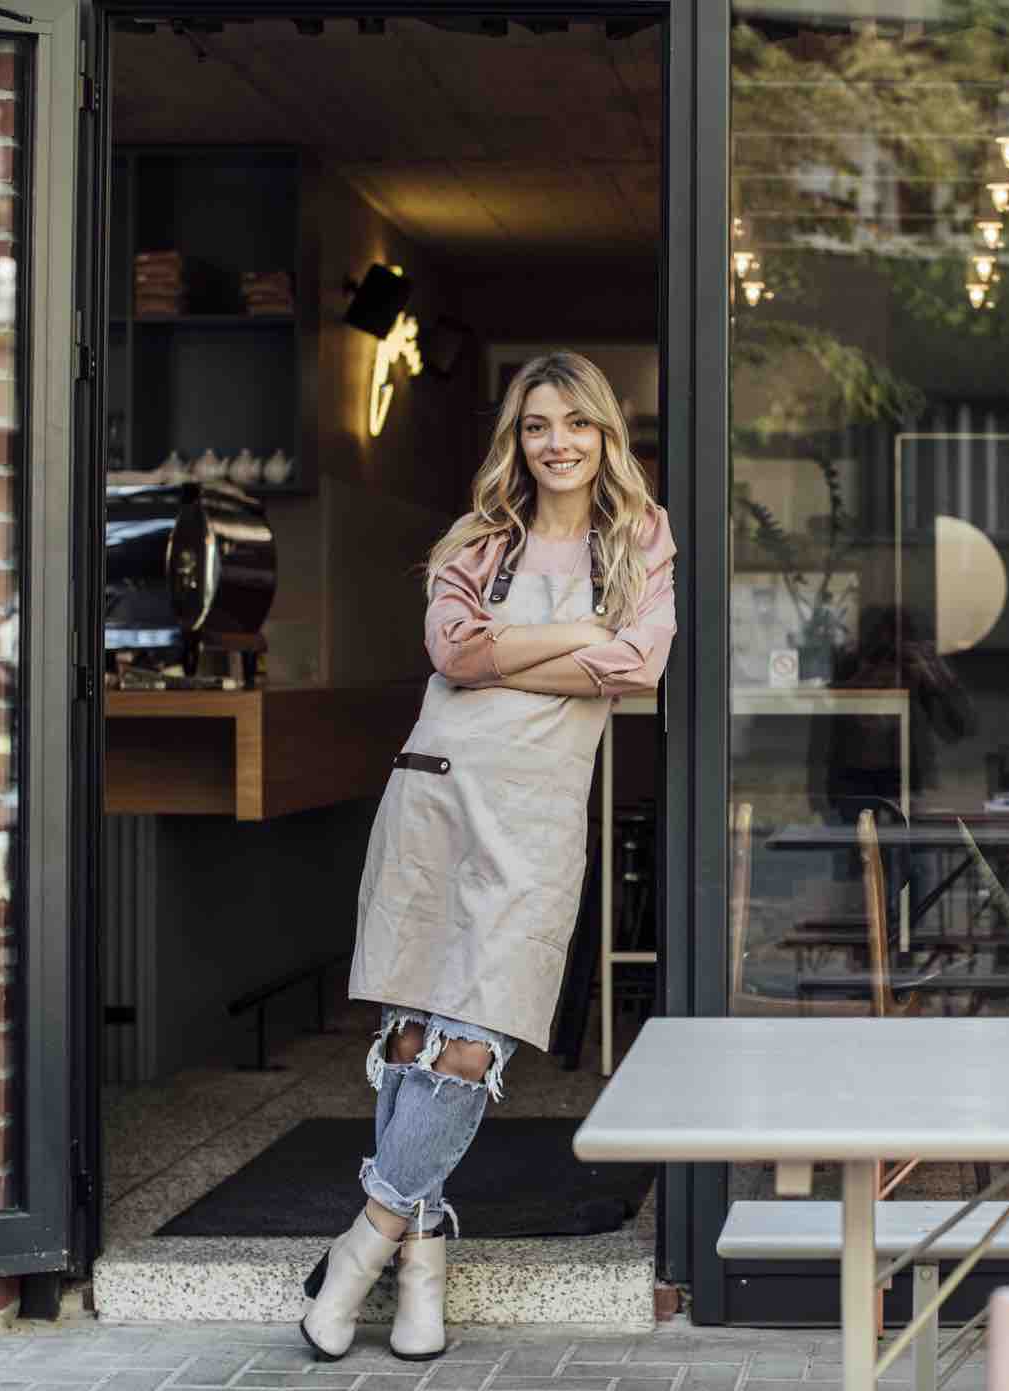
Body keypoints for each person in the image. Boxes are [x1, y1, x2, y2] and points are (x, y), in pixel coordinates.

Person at [299, 352, 677, 1363]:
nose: (555, 442)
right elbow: (452, 654)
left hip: (537, 810)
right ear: (515, 440)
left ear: (606, 435)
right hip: (437, 791)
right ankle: (421, 1259)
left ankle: (364, 1240)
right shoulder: (479, 538)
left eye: (575, 424)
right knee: (417, 1030)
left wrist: (529, 645)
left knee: (476, 1038)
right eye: (534, 425)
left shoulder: (639, 538)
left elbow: (637, 661)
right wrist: (576, 636)